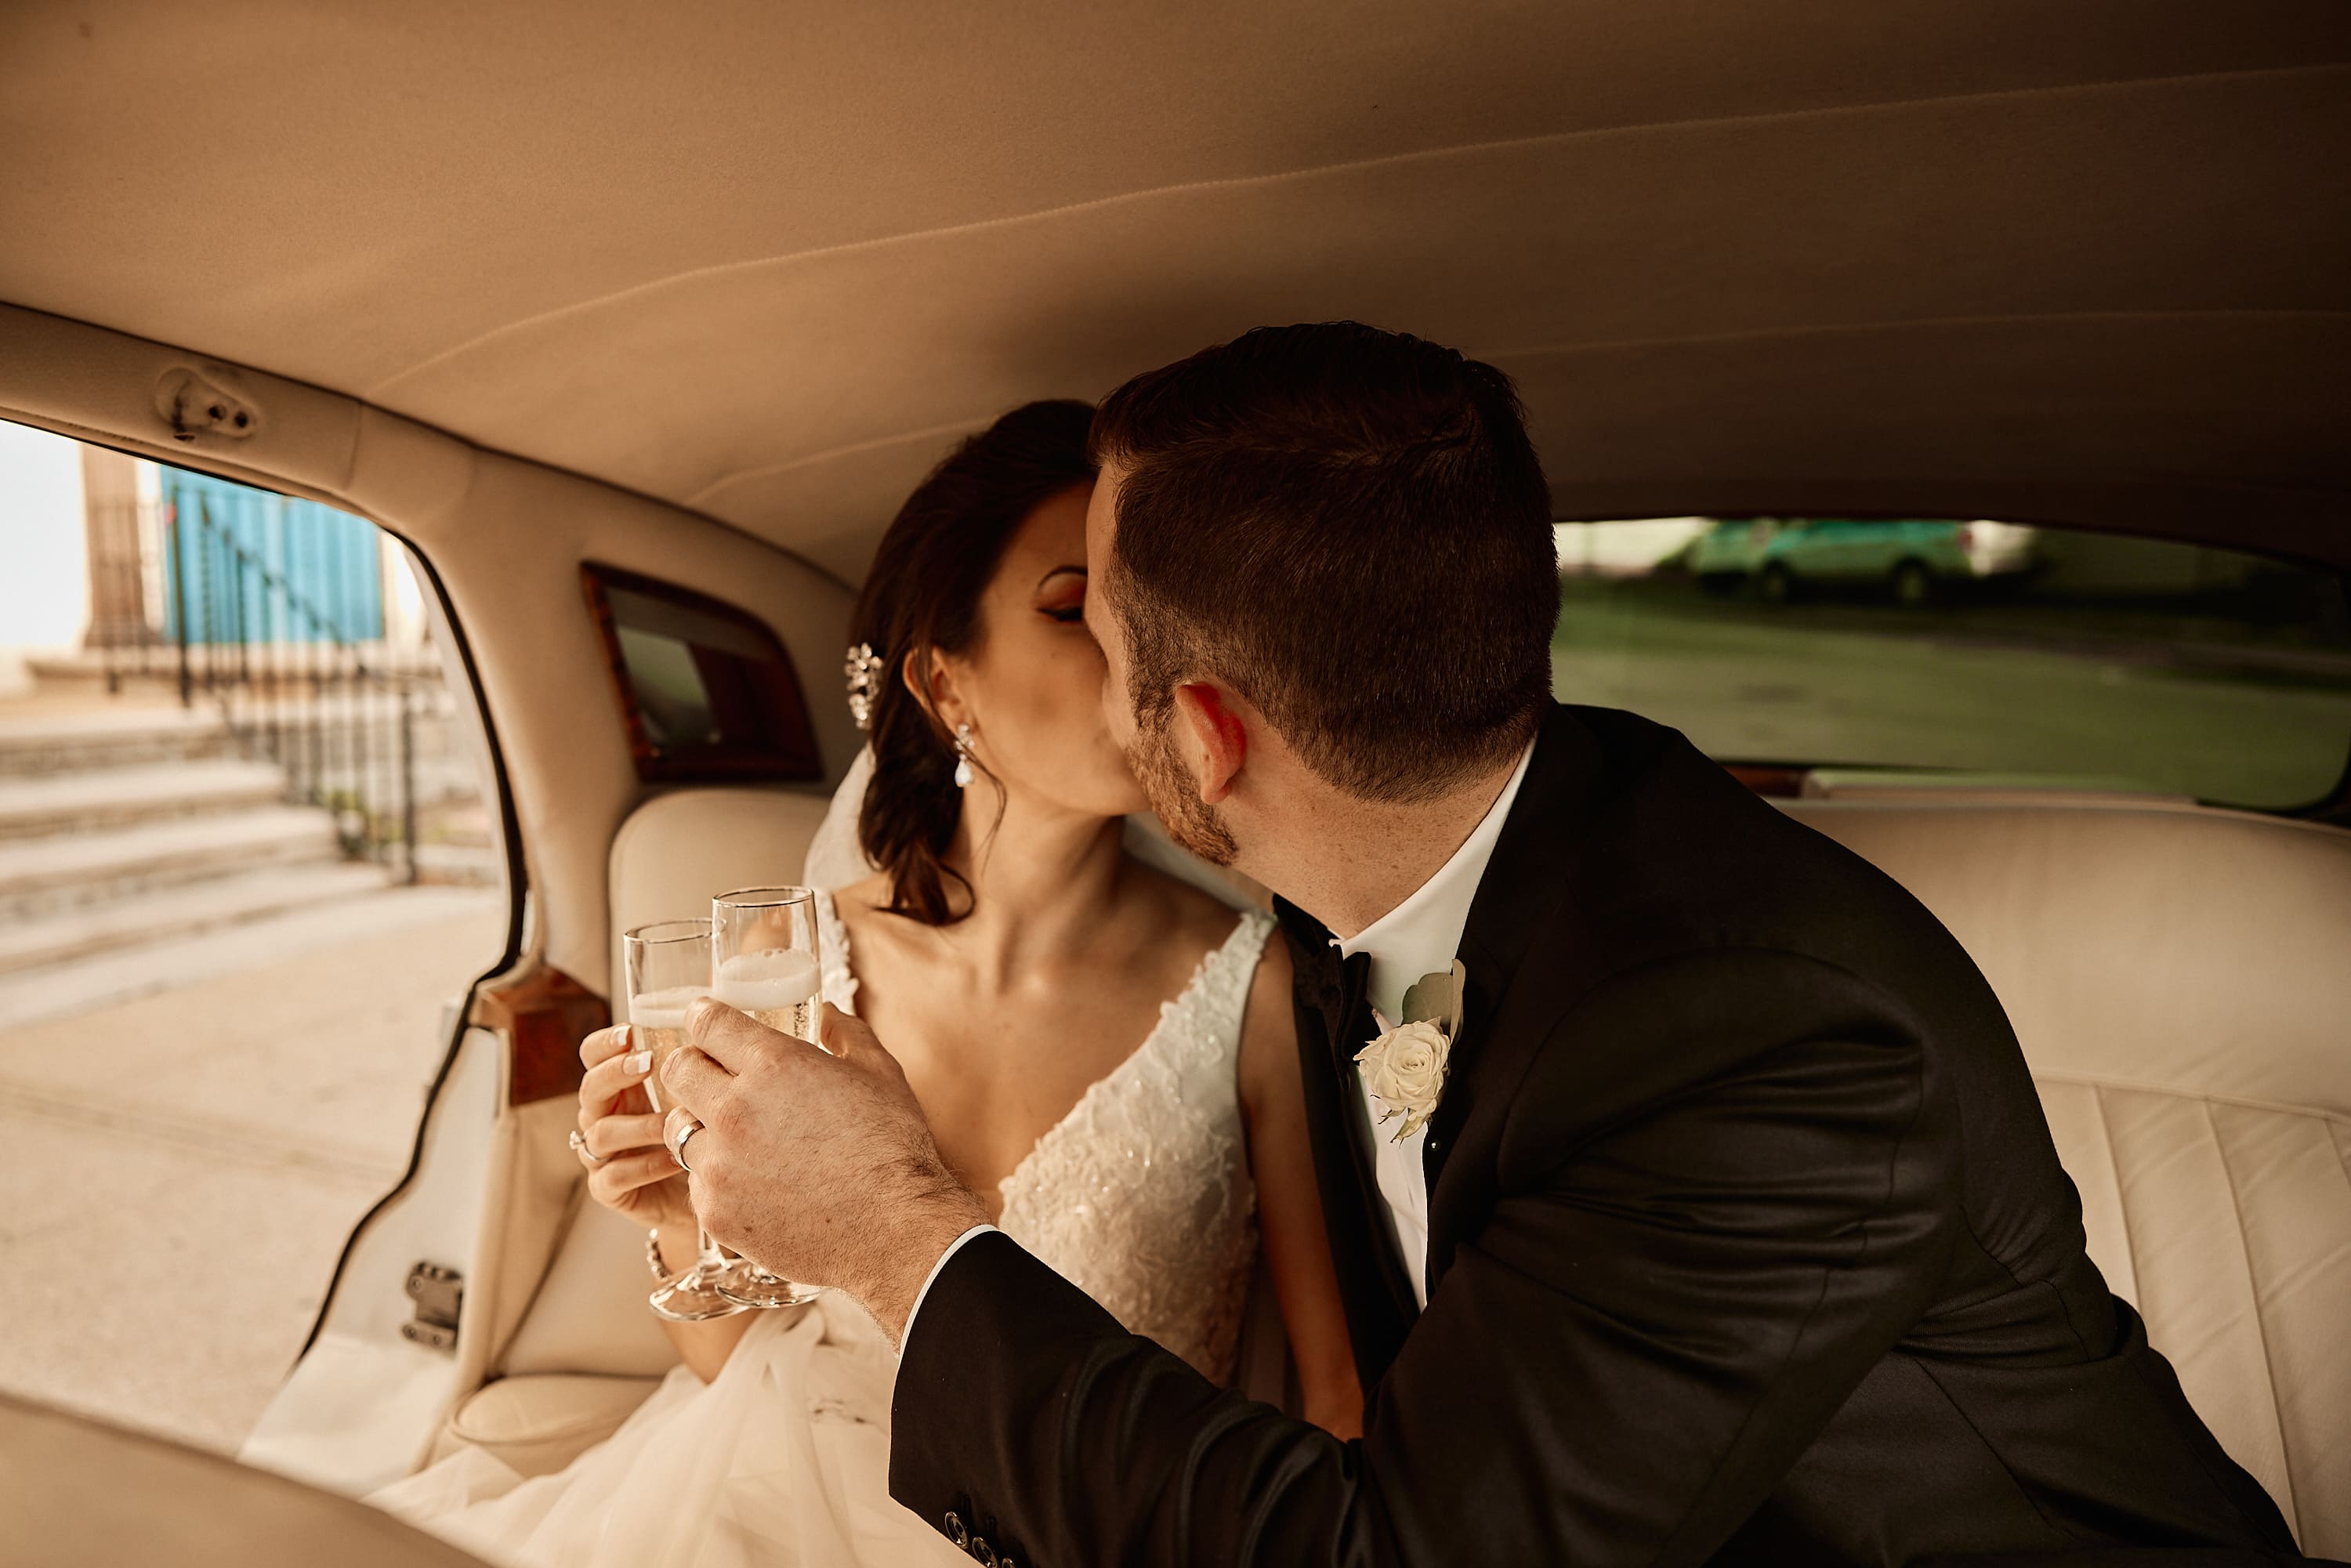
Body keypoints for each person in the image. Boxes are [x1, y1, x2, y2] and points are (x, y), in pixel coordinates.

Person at [656, 325, 2321, 1566]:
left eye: (1114, 632)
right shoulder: (1357, 899)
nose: (1090, 671)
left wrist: (892, 1226)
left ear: (1209, 735)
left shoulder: (1765, 1037)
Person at [369, 399, 1362, 1568]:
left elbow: (1332, 1394)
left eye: (1141, 606)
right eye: (1068, 607)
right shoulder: (795, 966)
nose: (1133, 651)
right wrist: (684, 1219)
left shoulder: (1248, 989)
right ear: (947, 689)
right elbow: (748, 1365)